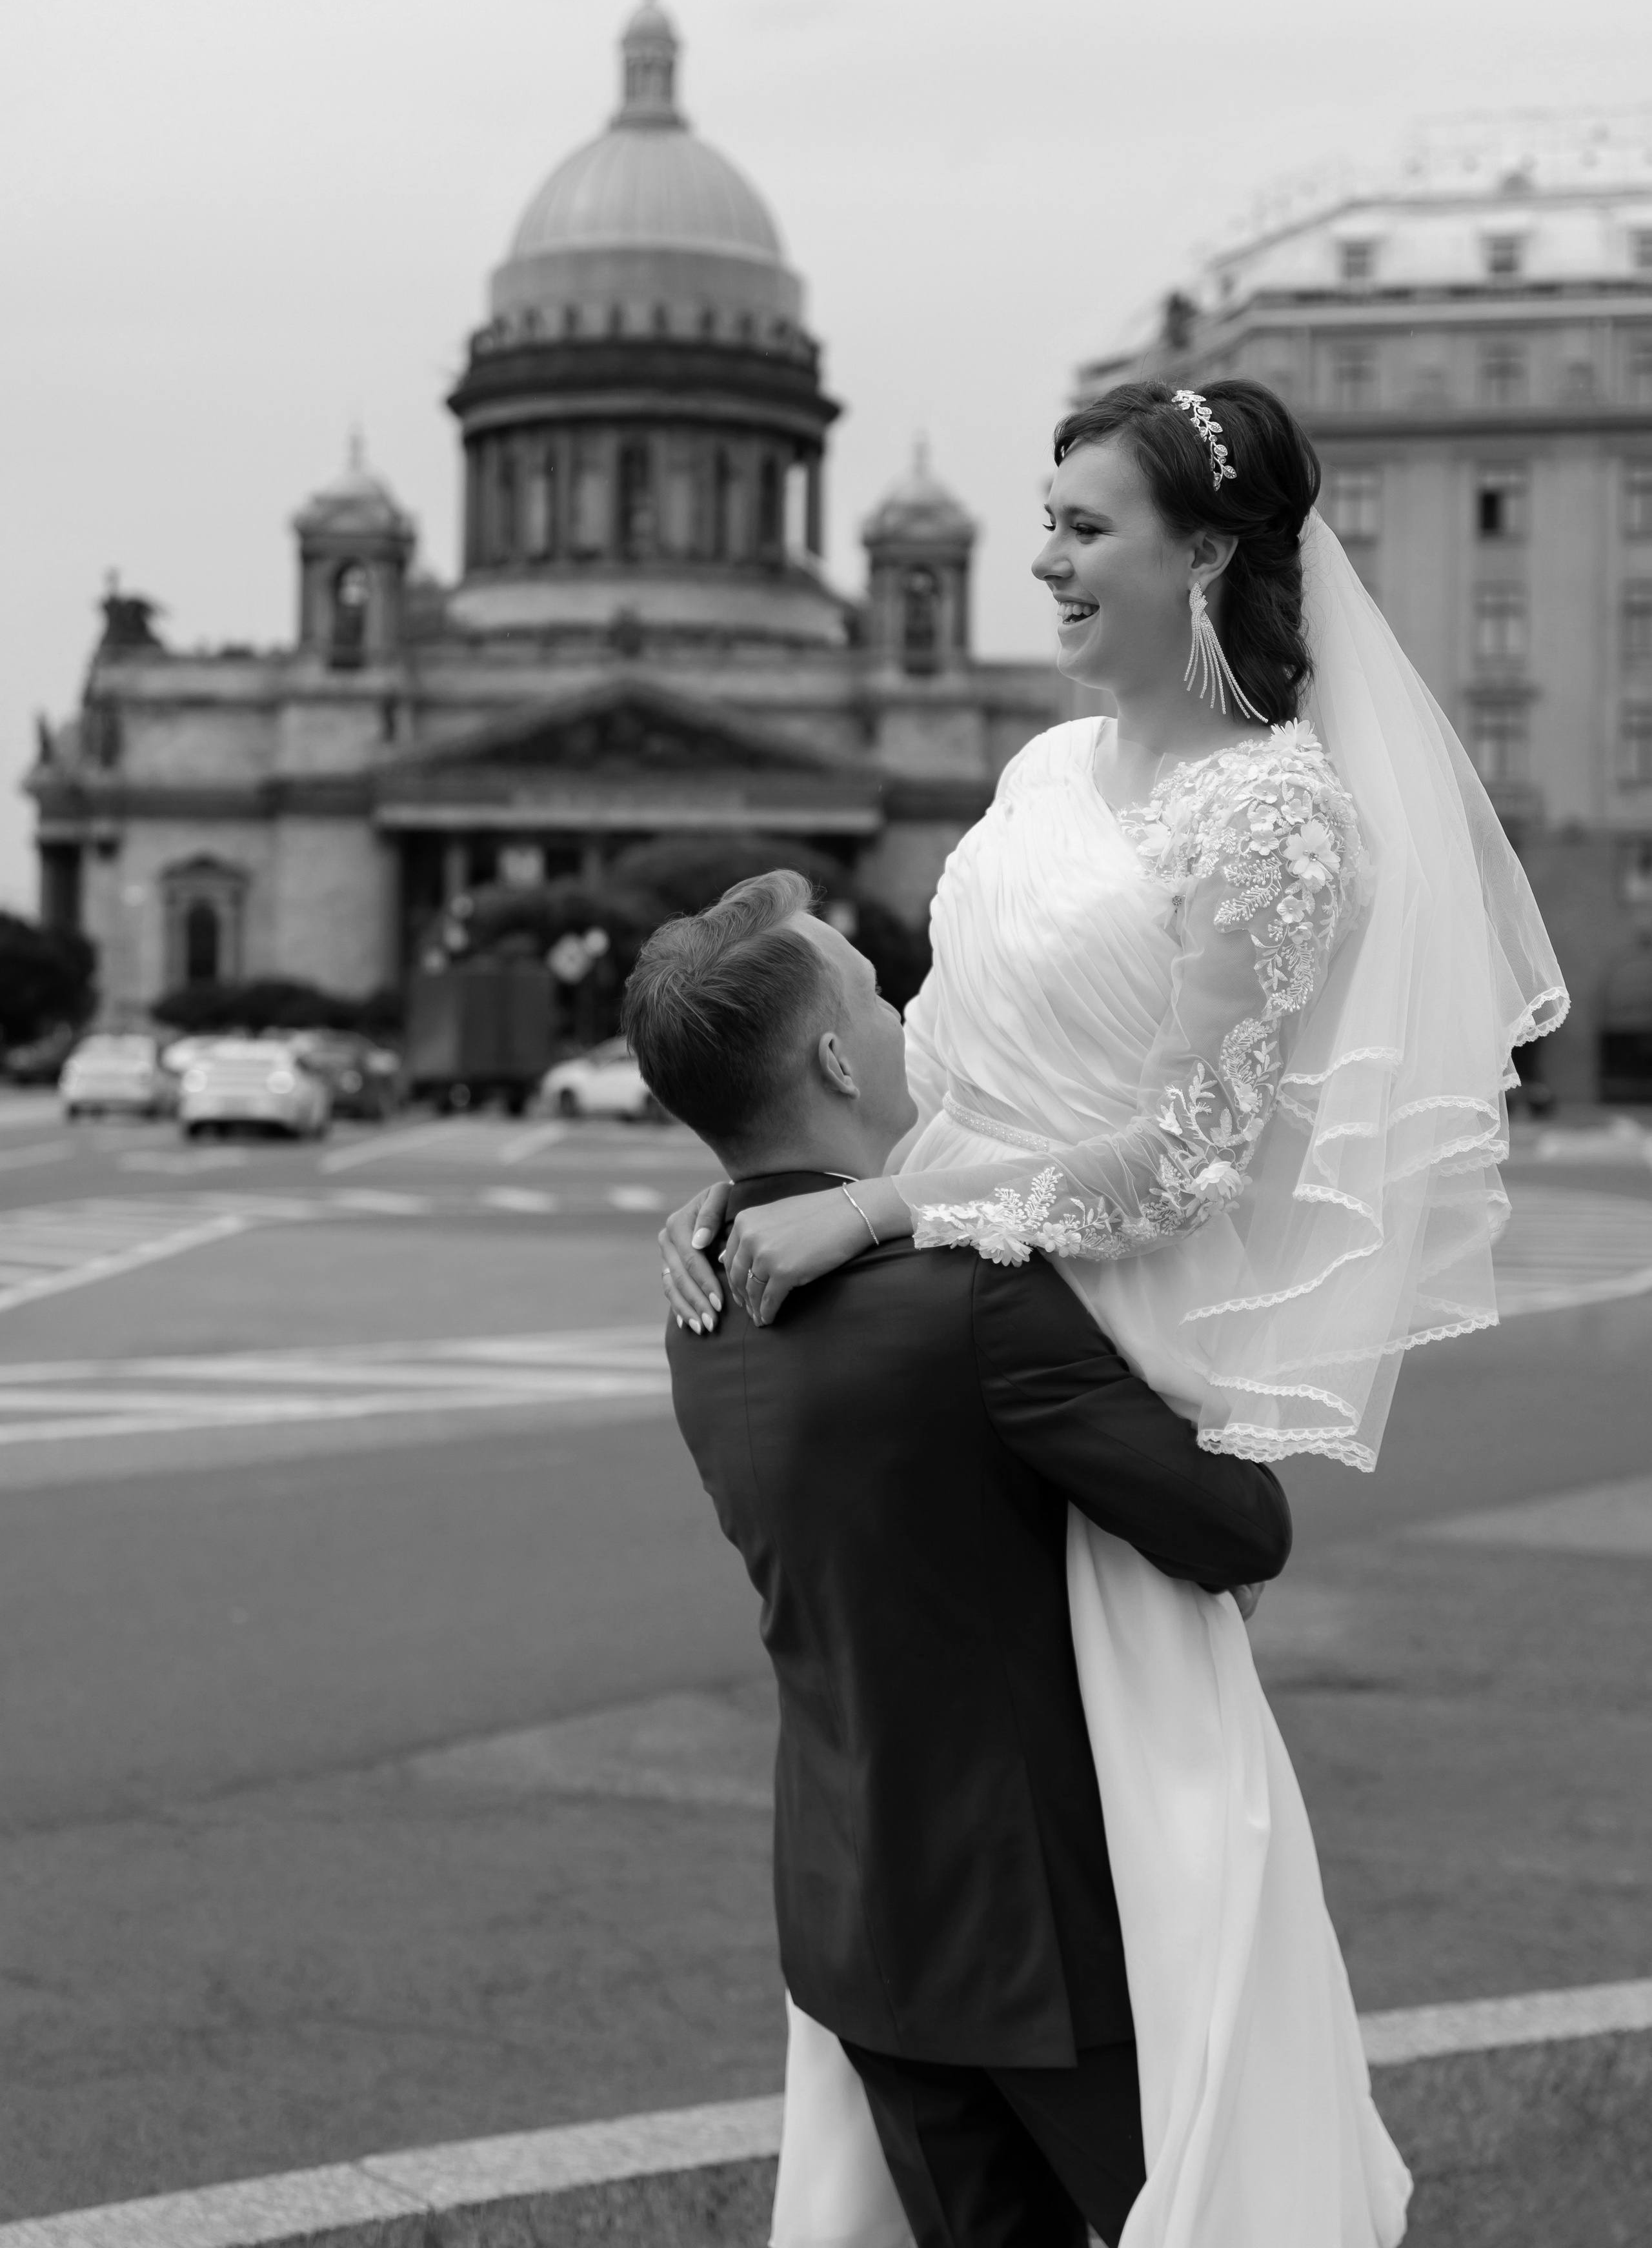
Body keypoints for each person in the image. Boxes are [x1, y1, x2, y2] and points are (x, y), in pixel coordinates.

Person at [661, 378, 1567, 2248]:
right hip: (950, 1336)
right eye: (1047, 517)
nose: (1048, 558)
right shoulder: (1037, 777)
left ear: (1211, 555)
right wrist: (765, 1196)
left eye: (1087, 526)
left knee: (1135, 1944)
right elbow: (929, 1080)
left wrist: (879, 1215)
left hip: (1090, 1340)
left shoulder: (1278, 816)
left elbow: (1184, 1163)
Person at [623, 869, 1294, 2248]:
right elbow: (1239, 1527)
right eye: (874, 995)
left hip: (855, 1921)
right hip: (1043, 1938)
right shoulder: (973, 1298)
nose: (906, 1013)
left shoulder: (701, 1305)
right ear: (828, 1055)